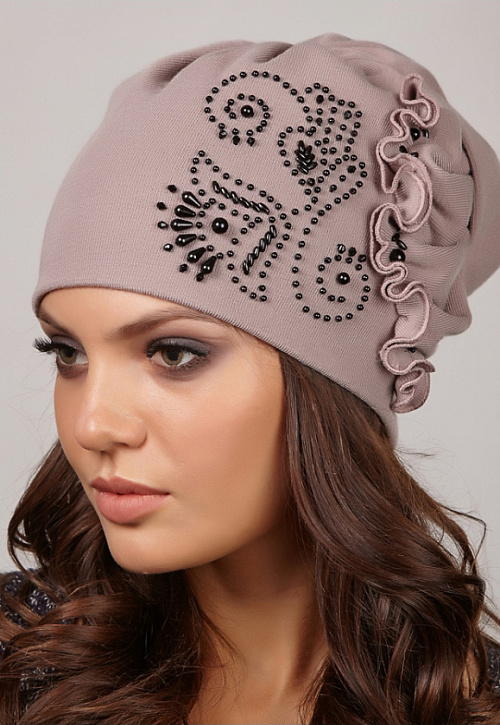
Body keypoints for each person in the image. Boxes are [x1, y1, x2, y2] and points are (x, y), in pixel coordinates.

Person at [1, 32, 500, 725]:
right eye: (67, 353)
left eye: (174, 354)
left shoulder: (461, 704)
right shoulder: (22, 655)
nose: (92, 425)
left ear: (331, 387)